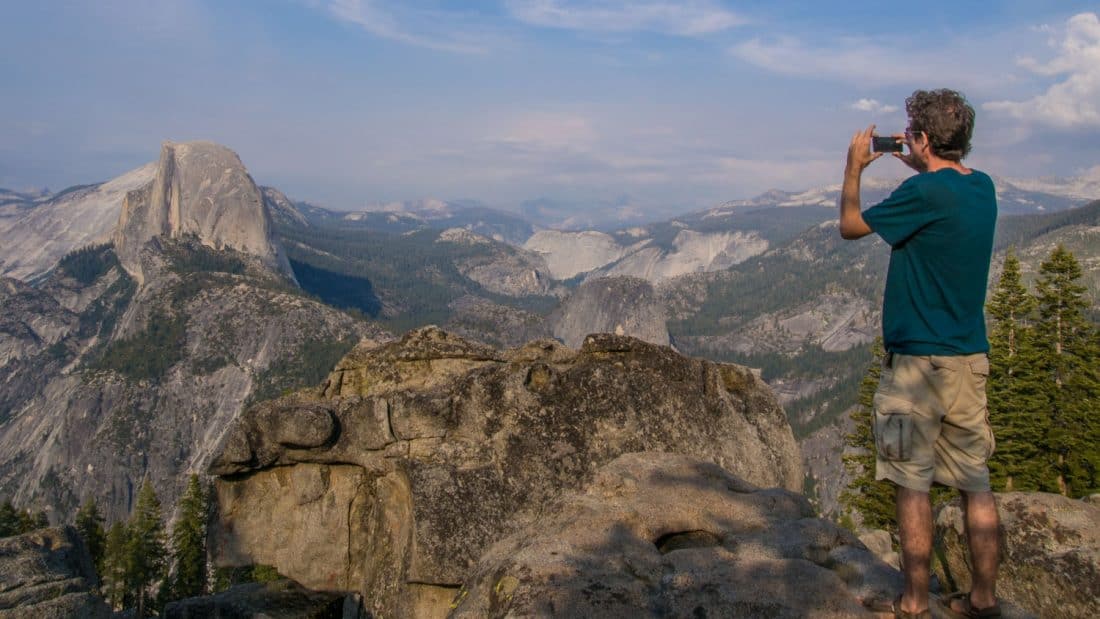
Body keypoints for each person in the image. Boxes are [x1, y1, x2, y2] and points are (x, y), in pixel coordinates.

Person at [839, 89, 1002, 619]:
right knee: (974, 483)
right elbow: (942, 189)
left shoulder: (925, 195)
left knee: (912, 485)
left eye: (912, 135)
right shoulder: (983, 188)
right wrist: (923, 163)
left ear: (923, 138)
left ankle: (912, 603)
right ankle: (982, 599)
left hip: (916, 367)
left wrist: (854, 167)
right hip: (968, 360)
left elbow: (851, 227)